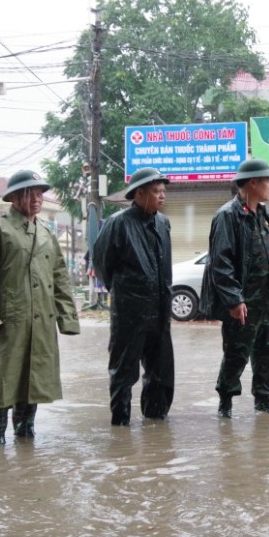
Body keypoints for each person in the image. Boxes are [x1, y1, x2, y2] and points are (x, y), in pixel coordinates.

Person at [0, 170, 81, 444]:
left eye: (40, 193)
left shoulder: (46, 233)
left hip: (40, 320)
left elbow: (59, 278)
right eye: (31, 193)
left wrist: (67, 318)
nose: (37, 198)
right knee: (2, 379)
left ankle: (25, 432)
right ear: (15, 197)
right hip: (8, 320)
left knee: (34, 377)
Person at [91, 167, 174, 426]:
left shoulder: (163, 223)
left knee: (161, 374)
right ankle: (121, 424)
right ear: (139, 193)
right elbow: (102, 262)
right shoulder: (118, 223)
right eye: (156, 192)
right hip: (129, 313)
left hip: (160, 311)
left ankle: (155, 423)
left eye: (163, 192)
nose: (162, 196)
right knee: (124, 373)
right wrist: (125, 292)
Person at [200, 158, 269, 418]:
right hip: (244, 302)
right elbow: (220, 263)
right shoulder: (227, 215)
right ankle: (225, 405)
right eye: (267, 181)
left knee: (267, 352)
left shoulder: (263, 214)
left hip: (268, 299)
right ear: (253, 182)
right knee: (237, 353)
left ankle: (263, 401)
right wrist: (234, 300)